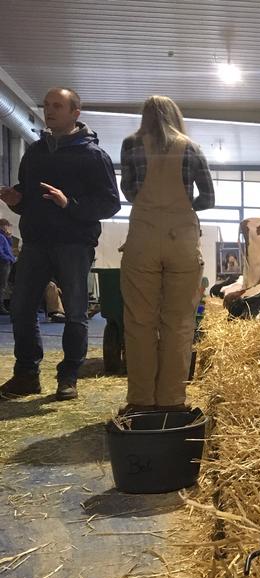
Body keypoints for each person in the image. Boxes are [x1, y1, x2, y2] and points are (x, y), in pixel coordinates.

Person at [0, 87, 120, 401]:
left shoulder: (94, 156)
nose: (49, 111)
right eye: (46, 105)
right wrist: (16, 200)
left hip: (74, 244)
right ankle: (27, 374)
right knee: (22, 309)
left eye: (57, 106)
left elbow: (110, 204)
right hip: (36, 241)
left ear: (75, 113)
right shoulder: (35, 153)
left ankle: (68, 377)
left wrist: (70, 204)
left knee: (76, 313)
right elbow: (27, 200)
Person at [119, 95, 215, 414]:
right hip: (182, 239)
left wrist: (150, 207)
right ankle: (173, 400)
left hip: (143, 236)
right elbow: (209, 197)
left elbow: (129, 191)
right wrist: (184, 207)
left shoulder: (131, 144)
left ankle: (141, 400)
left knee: (139, 321)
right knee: (179, 321)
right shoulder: (191, 147)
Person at [0, 218, 17, 314]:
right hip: (3, 262)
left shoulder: (3, 236)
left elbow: (9, 247)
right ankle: (0, 306)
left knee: (4, 285)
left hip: (6, 262)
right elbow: (1, 251)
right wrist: (9, 258)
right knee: (2, 285)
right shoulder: (0, 236)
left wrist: (9, 237)